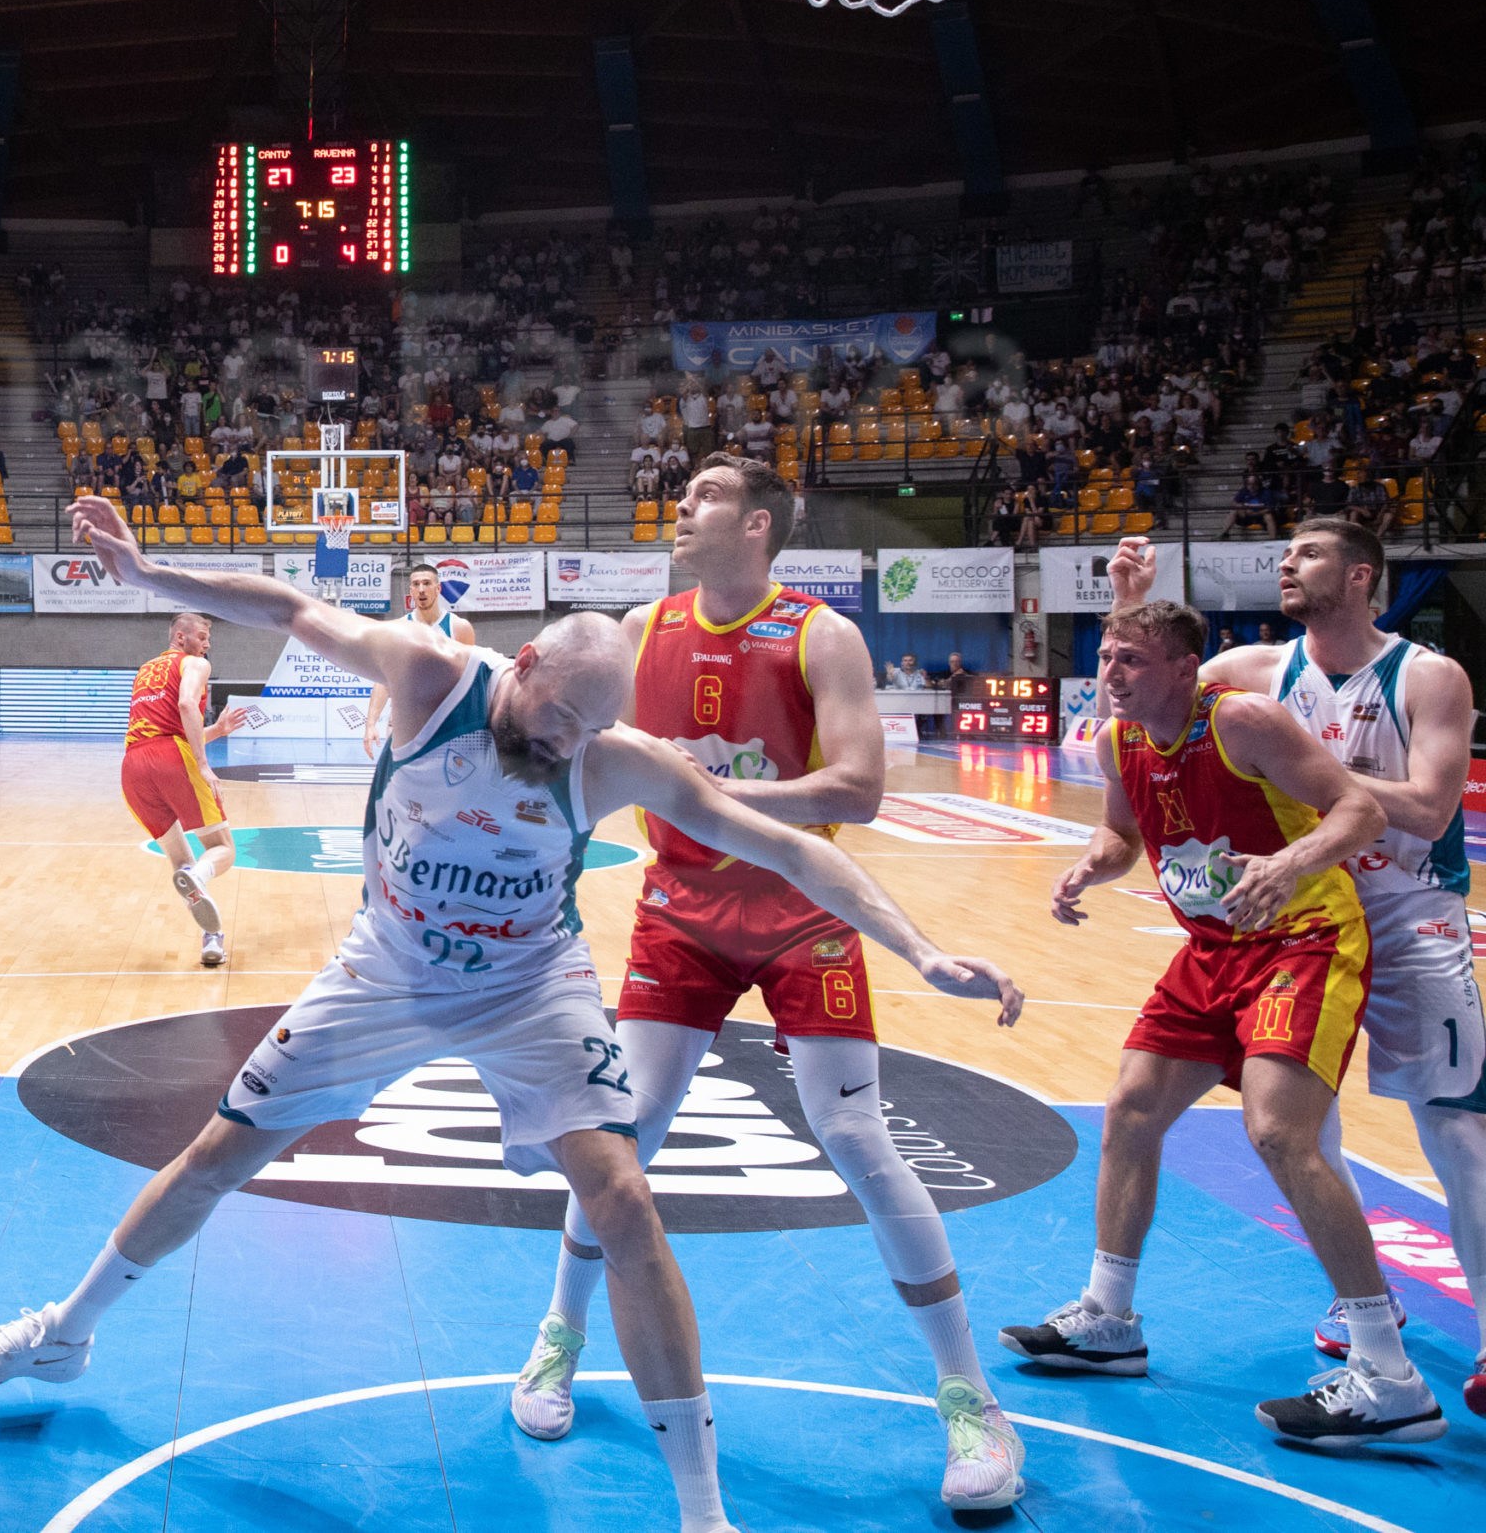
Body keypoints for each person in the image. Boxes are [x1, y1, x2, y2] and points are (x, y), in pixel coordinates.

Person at [0, 498, 1023, 1533]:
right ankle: (61, 1335)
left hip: (528, 988)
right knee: (219, 1153)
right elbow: (286, 605)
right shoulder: (429, 673)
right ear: (527, 663)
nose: (566, 746)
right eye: (560, 719)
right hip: (386, 971)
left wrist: (920, 948)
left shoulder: (606, 755)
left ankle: (701, 1509)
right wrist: (145, 572)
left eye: (590, 733)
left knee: (623, 1196)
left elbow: (788, 848)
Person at [511, 455, 1027, 1509]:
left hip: (802, 911)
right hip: (680, 914)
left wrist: (710, 793)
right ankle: (558, 1333)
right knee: (624, 1136)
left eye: (704, 495)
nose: (680, 508)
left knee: (856, 1137)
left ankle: (972, 1398)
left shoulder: (819, 634)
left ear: (756, 525)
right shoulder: (640, 631)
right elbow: (576, 750)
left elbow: (861, 788)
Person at [1001, 596, 1448, 1445]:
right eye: (1107, 656)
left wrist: (1288, 862)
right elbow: (1122, 834)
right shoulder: (1118, 739)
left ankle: (1390, 1375)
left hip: (1303, 938)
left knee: (1280, 1132)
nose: (1111, 672)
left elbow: (1359, 810)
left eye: (1132, 659)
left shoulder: (1242, 720)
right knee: (1131, 1108)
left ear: (1184, 668)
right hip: (1212, 949)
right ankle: (1109, 1318)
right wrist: (1090, 866)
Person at [1108, 525, 1484, 1418]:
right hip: (1297, 915)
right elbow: (1155, 696)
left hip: (1409, 913)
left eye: (1308, 552)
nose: (1286, 561)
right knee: (1304, 1128)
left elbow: (1432, 810)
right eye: (1286, 552)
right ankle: (1365, 1302)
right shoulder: (1256, 668)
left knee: (1457, 1133)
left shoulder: (1427, 675)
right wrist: (1129, 603)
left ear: (1360, 576)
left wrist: (1300, 768)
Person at [122, 614, 244, 968]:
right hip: (173, 761)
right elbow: (187, 705)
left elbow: (165, 730)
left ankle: (212, 938)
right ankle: (198, 880)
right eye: (202, 636)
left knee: (183, 865)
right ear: (181, 637)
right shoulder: (195, 664)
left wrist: (216, 731)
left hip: (133, 768)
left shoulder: (146, 670)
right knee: (223, 849)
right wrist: (204, 764)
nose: (207, 644)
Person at [361, 563, 478, 758]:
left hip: (445, 719)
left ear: (438, 588)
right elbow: (383, 680)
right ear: (411, 591)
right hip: (405, 719)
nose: (421, 589)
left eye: (426, 583)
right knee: (401, 774)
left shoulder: (459, 627)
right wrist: (370, 724)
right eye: (416, 584)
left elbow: (470, 680)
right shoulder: (398, 629)